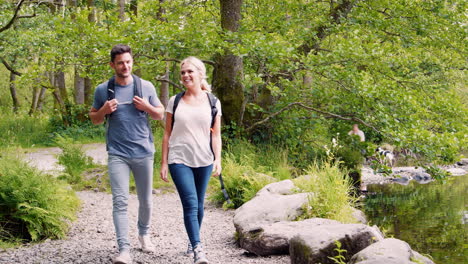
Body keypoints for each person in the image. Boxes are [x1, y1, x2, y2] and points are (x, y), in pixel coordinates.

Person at [89, 44, 165, 264]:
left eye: (128, 61)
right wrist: (104, 110)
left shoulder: (145, 86)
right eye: (120, 62)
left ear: (133, 62)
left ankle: (144, 234)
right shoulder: (103, 89)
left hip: (143, 151)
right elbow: (94, 117)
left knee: (146, 200)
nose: (125, 66)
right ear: (112, 64)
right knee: (120, 202)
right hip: (117, 153)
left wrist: (147, 108)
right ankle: (124, 249)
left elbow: (160, 114)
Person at [160, 56, 222, 264]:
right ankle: (198, 248)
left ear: (200, 74)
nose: (186, 76)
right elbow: (167, 134)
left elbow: (215, 135)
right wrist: (163, 163)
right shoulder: (174, 101)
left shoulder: (213, 102)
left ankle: (191, 239)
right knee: (190, 202)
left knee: (200, 204)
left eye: (190, 72)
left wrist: (218, 159)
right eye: (183, 72)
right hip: (179, 158)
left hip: (204, 158)